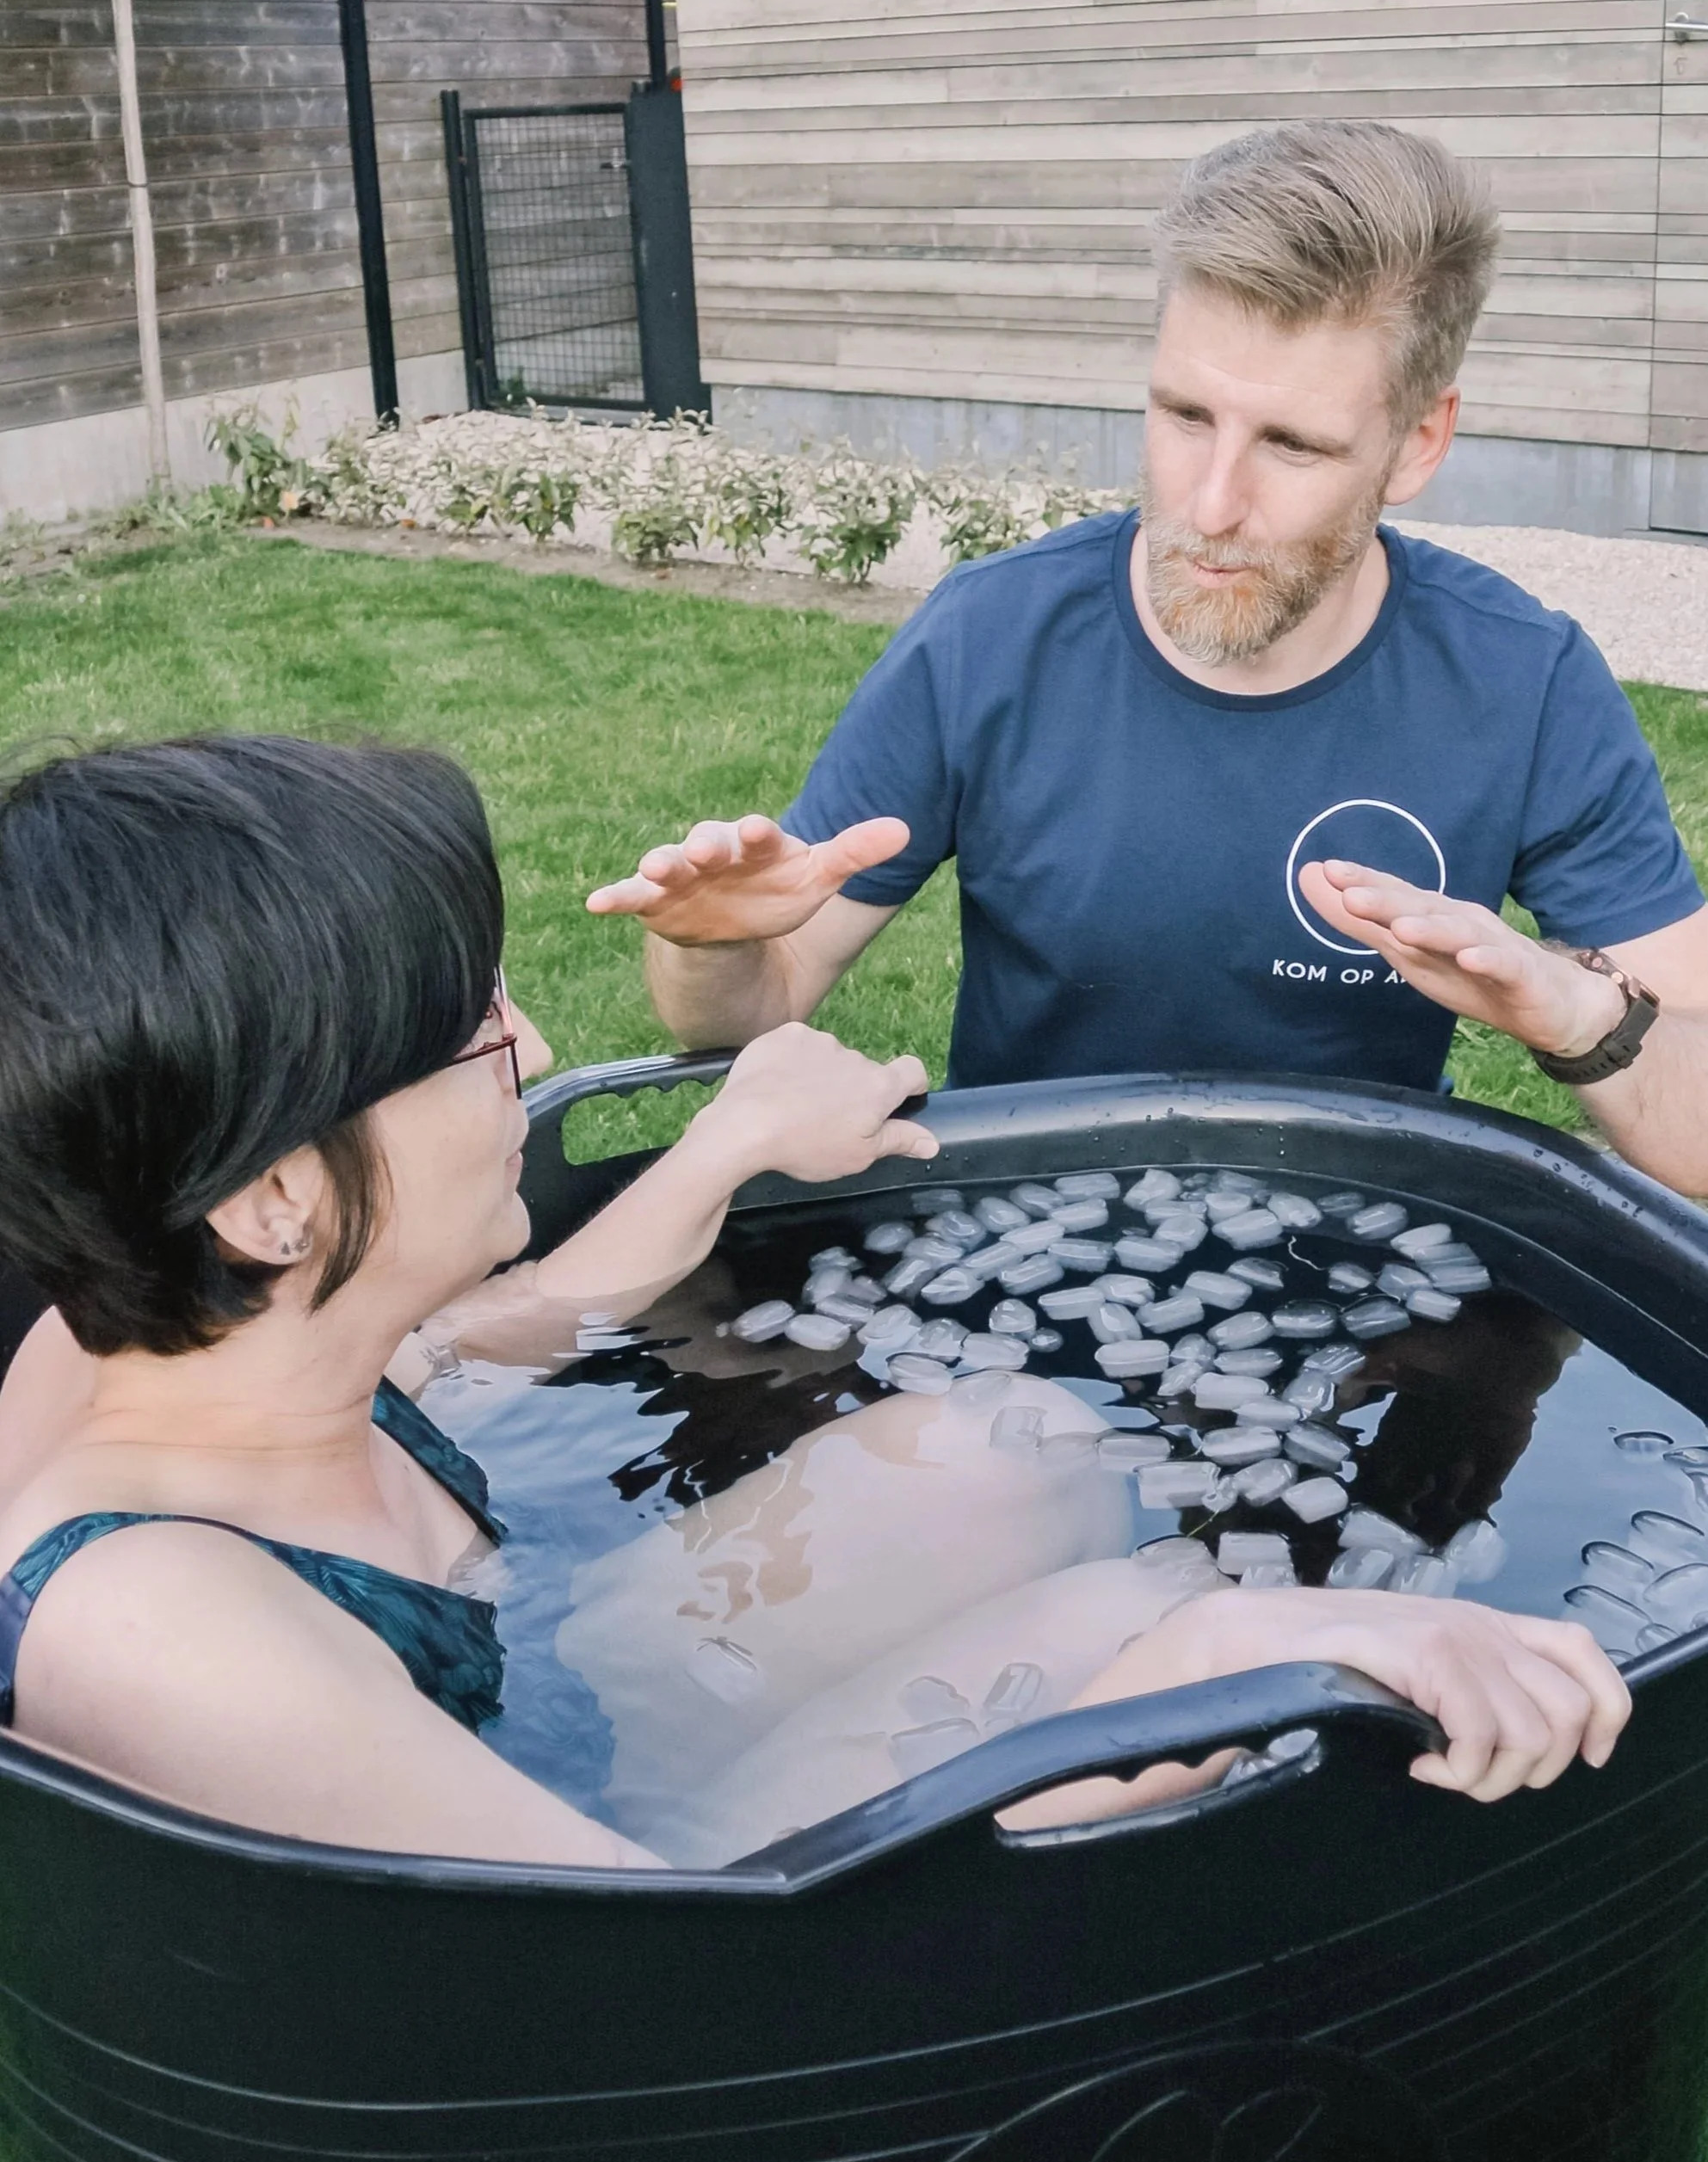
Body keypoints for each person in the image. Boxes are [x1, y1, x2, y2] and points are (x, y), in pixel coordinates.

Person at [0, 737, 1628, 1869]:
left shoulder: (176, 1323)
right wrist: (1220, 1656)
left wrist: (726, 1147)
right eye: (476, 1031)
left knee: (1020, 1456)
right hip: (612, 1910)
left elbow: (467, 1341)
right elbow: (691, 1978)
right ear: (275, 1195)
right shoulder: (153, 1627)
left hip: (514, 1697)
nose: (540, 1050)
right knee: (1180, 1649)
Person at [589, 121, 1708, 1198]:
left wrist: (1583, 1019)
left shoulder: (1525, 686)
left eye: (1292, 444)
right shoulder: (990, 639)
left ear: (1419, 441)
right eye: (1183, 415)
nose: (1210, 504)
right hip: (1022, 1259)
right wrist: (706, 947)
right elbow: (754, 1004)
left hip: (1363, 1280)